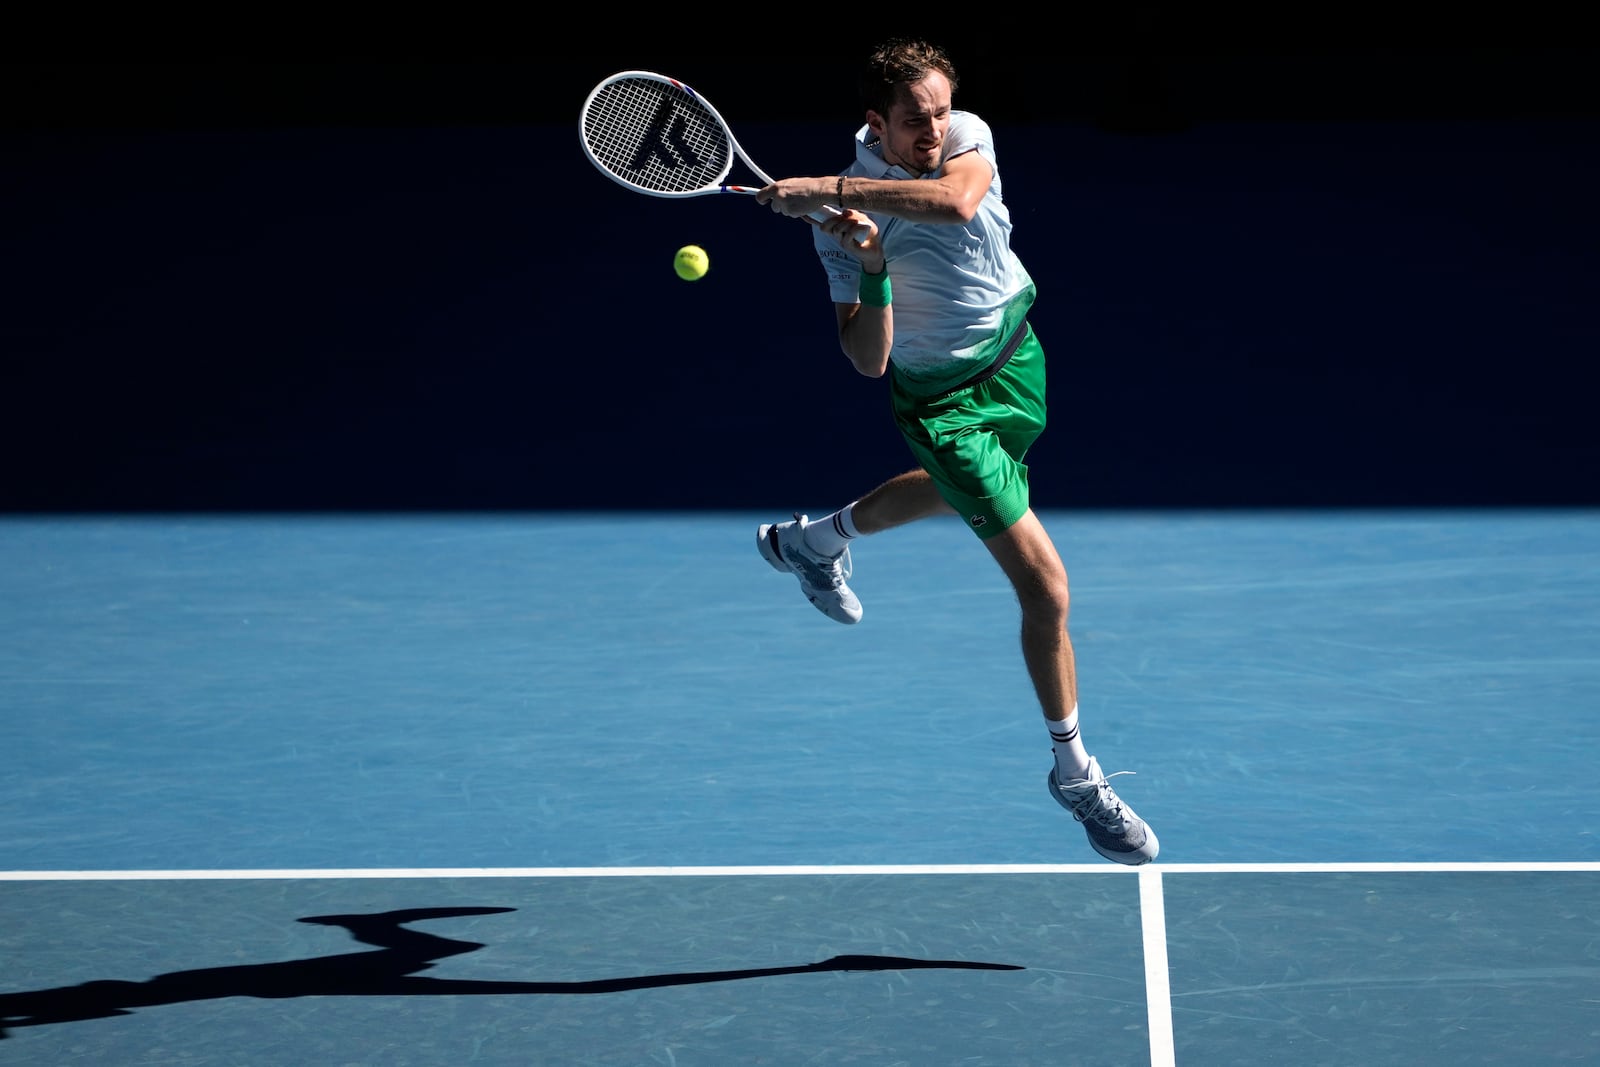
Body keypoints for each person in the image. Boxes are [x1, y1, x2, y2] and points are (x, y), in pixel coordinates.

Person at [753, 37, 1158, 866]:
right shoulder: (837, 228)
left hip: (1017, 358)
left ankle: (813, 541)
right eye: (914, 119)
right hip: (943, 408)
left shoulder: (961, 136)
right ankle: (1075, 772)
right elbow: (867, 359)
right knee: (1047, 587)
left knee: (947, 494)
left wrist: (828, 189)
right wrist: (870, 267)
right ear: (877, 121)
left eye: (940, 110)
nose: (934, 127)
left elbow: (959, 204)